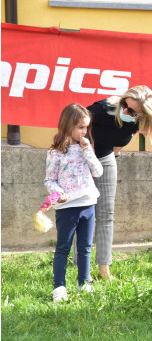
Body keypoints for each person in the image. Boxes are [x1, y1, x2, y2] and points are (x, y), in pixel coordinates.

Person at [82, 85, 152, 279]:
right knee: (82, 212)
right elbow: (73, 127)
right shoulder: (102, 108)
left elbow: (118, 144)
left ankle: (104, 269)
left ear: (143, 116)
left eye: (132, 111)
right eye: (125, 104)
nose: (125, 111)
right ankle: (80, 268)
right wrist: (85, 155)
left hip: (107, 158)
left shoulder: (137, 123)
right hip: (81, 159)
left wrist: (108, 161)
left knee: (106, 214)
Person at [45, 103, 103, 302]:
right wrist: (57, 192)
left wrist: (88, 152)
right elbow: (49, 180)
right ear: (67, 126)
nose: (84, 131)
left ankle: (83, 283)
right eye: (80, 127)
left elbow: (98, 172)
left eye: (86, 127)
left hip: (88, 203)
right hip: (67, 206)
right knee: (63, 247)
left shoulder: (86, 148)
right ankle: (59, 287)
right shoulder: (55, 152)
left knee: (85, 247)